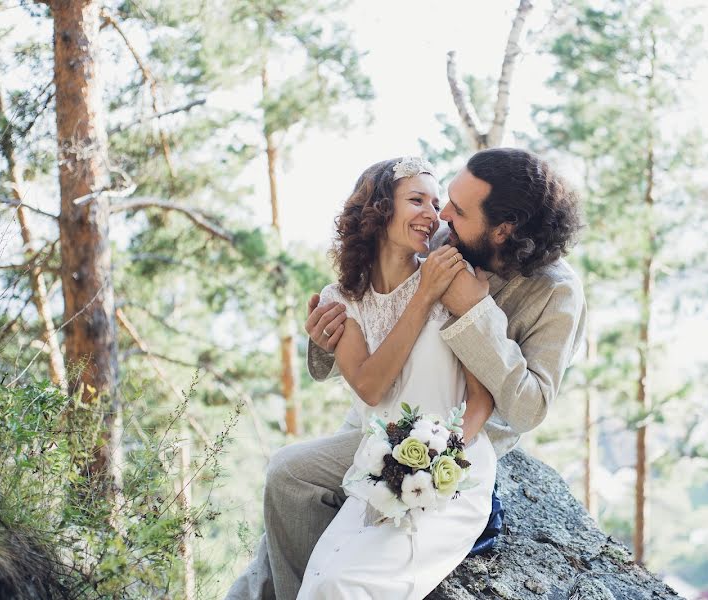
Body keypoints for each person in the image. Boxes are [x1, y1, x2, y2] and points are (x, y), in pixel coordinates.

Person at [226, 148, 587, 600]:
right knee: (285, 510)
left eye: (456, 208)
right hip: (373, 423)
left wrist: (477, 314)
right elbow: (373, 314)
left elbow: (528, 407)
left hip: (457, 439)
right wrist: (324, 339)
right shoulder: (441, 241)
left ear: (504, 228)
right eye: (441, 201)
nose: (442, 217)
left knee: (293, 483)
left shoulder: (556, 294)